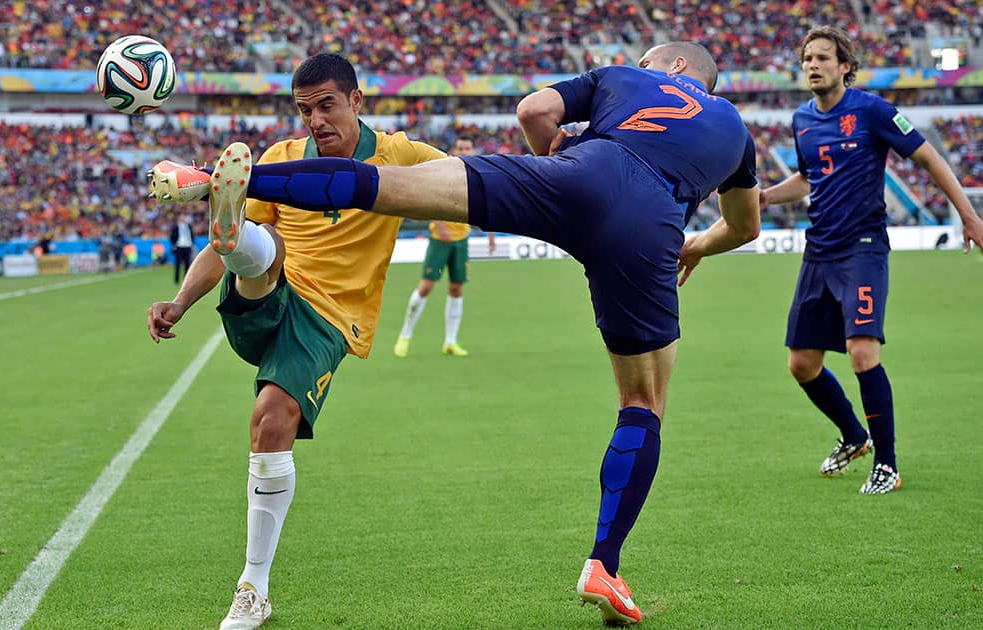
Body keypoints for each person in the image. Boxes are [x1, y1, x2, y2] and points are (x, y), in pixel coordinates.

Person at [150, 42, 761, 626]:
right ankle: (604, 564)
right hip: (649, 226)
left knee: (387, 189)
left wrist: (553, 164)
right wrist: (697, 244)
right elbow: (745, 225)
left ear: (674, 65)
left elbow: (534, 110)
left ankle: (215, 179)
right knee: (641, 403)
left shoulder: (622, 79)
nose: (641, 64)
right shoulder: (736, 132)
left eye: (649, 60)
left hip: (573, 176)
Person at [145, 53, 447, 630]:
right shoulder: (282, 159)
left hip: (332, 318)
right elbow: (211, 253)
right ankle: (238, 233)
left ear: (357, 101)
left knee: (271, 419)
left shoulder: (400, 154)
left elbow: (468, 179)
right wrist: (180, 301)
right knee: (263, 245)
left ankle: (252, 590)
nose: (315, 119)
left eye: (327, 105)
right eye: (305, 109)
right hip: (269, 294)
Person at [760, 26, 983, 495]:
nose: (813, 65)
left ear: (845, 66)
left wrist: (969, 215)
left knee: (862, 352)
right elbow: (807, 178)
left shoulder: (873, 111)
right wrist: (765, 198)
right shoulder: (802, 119)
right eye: (807, 59)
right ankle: (854, 436)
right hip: (818, 249)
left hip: (862, 247)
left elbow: (930, 159)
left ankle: (887, 463)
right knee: (801, 363)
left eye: (823, 57)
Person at [393, 137, 496, 358]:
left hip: (461, 240)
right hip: (440, 239)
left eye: (468, 147)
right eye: (461, 148)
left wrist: (490, 235)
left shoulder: (477, 175)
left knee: (457, 289)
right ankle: (405, 334)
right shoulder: (444, 169)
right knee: (426, 286)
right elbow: (427, 200)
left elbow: (488, 205)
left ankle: (450, 341)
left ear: (474, 149)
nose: (464, 150)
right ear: (453, 150)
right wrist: (441, 225)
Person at [169, 211, 194, 283]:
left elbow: (191, 235)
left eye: (184, 216)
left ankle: (186, 279)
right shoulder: (176, 227)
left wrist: (191, 243)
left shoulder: (188, 226)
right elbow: (172, 237)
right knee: (178, 264)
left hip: (187, 246)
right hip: (179, 246)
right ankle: (176, 280)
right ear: (178, 218)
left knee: (187, 264)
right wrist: (174, 245)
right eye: (181, 216)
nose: (183, 218)